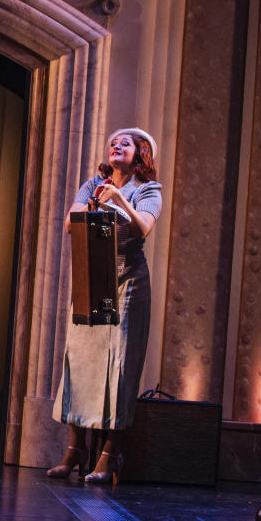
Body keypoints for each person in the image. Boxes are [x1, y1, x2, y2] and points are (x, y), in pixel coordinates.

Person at [49, 127, 163, 483]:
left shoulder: (148, 190)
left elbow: (142, 227)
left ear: (141, 153)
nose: (116, 146)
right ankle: (75, 449)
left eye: (125, 143)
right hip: (93, 274)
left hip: (127, 279)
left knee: (119, 367)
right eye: (113, 142)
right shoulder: (92, 183)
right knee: (80, 361)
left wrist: (118, 199)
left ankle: (109, 454)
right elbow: (70, 223)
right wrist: (95, 199)